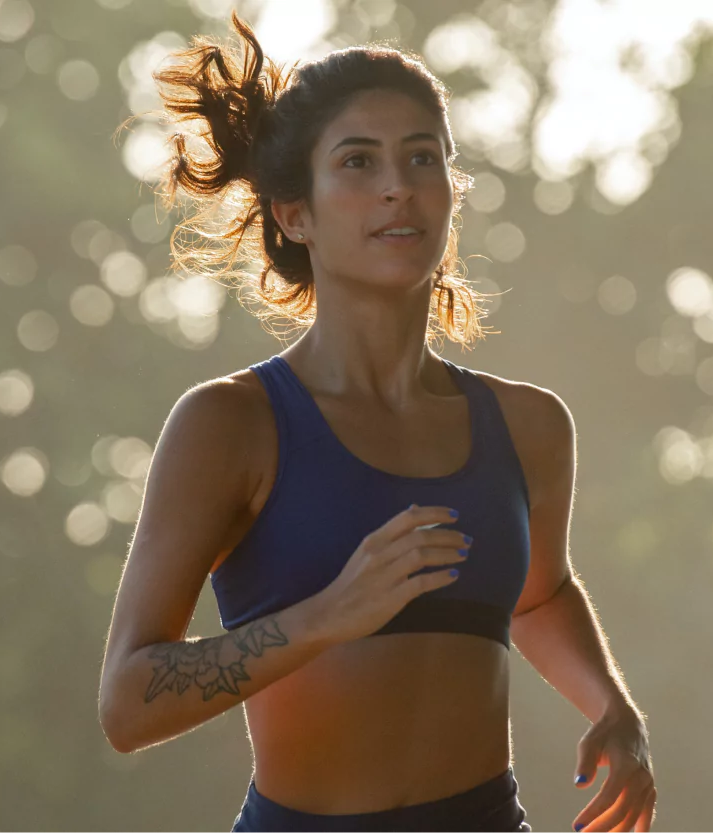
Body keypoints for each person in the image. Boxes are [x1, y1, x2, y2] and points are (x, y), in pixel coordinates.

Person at [97, 12, 656, 833]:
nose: (398, 184)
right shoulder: (230, 425)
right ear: (296, 214)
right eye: (358, 161)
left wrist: (615, 707)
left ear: (449, 196)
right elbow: (128, 703)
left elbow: (538, 594)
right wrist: (328, 614)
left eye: (421, 158)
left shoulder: (530, 426)